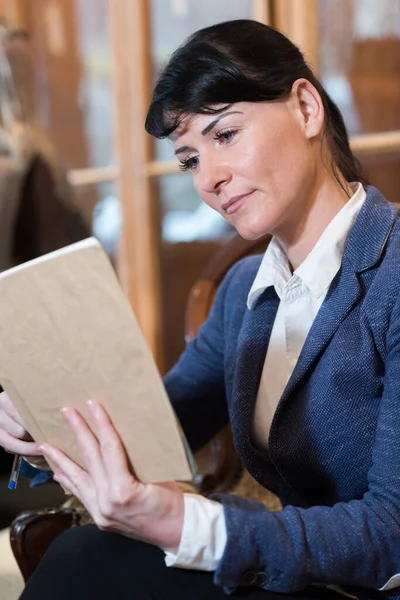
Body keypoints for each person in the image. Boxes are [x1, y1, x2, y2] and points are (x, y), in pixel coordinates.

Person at [0, 19, 399, 600]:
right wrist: (43, 413)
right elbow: (153, 422)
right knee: (85, 554)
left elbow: (392, 533)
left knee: (87, 561)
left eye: (226, 134)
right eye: (189, 160)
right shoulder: (244, 292)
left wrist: (186, 525)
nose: (210, 178)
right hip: (302, 578)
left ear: (307, 108)